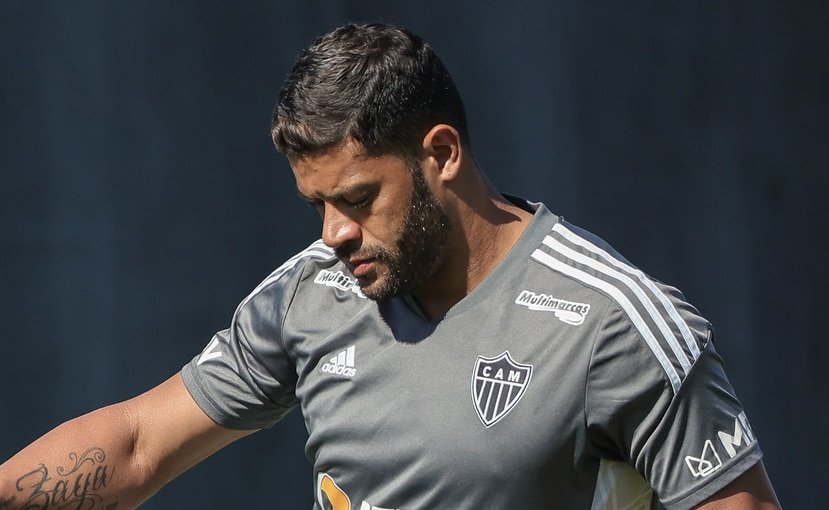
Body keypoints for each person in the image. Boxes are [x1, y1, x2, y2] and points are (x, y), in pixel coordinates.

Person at [0, 23, 779, 510]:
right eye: (317, 206)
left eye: (358, 197)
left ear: (439, 153)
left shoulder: (617, 325)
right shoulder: (310, 294)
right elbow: (137, 444)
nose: (335, 232)